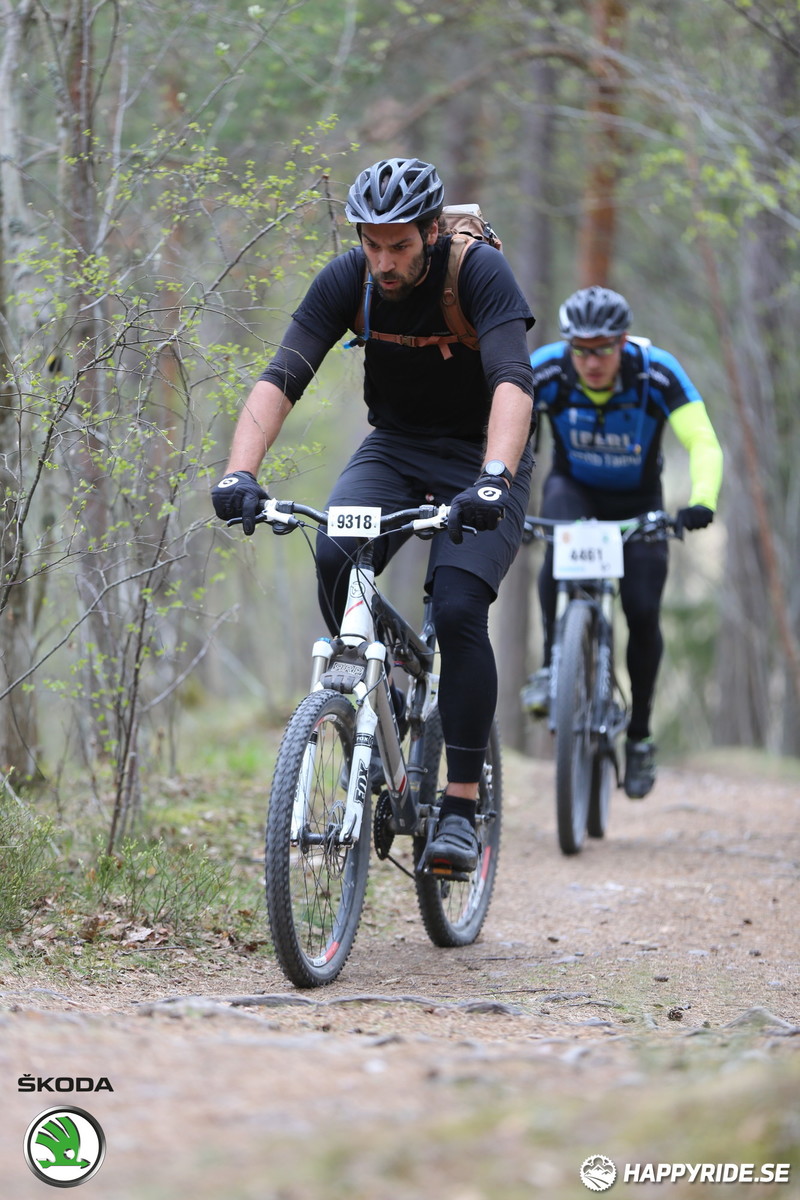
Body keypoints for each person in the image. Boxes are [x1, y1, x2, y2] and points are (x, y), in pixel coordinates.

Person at [211, 157, 536, 872]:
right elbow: (281, 375)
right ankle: (376, 690)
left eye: (400, 246)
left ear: (430, 231)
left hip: (484, 456)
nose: (384, 262)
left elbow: (514, 380)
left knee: (456, 609)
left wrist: (493, 480)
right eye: (372, 244)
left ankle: (456, 806)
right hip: (393, 450)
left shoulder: (478, 274)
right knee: (332, 551)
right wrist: (240, 471)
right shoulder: (346, 280)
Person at [521, 285, 723, 799]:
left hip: (639, 506)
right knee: (559, 544)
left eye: (603, 349)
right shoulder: (546, 368)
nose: (591, 361)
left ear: (623, 342)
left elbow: (701, 439)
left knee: (641, 610)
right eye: (581, 349)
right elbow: (501, 425)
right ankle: (552, 667)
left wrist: (700, 501)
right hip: (574, 489)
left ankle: (639, 736)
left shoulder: (657, 371)